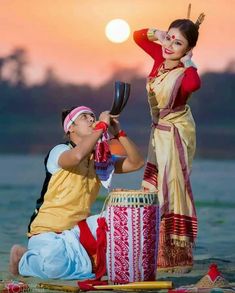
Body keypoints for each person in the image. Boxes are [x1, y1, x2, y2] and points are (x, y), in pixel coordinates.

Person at [9, 105, 144, 279]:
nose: (91, 119)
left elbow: (137, 162)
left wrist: (119, 133)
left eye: (93, 116)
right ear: (70, 127)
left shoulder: (99, 158)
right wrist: (101, 127)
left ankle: (87, 259)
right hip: (46, 232)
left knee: (118, 218)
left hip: (77, 231)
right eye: (84, 116)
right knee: (54, 267)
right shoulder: (60, 151)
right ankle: (23, 259)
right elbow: (76, 156)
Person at [133, 13, 205, 273]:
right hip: (159, 134)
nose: (169, 45)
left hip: (175, 133)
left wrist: (189, 63)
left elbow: (194, 84)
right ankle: (155, 249)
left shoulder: (183, 73)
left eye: (178, 43)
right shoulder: (159, 58)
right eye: (170, 37)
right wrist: (158, 34)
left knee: (172, 189)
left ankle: (174, 256)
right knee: (154, 187)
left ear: (188, 50)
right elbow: (137, 36)